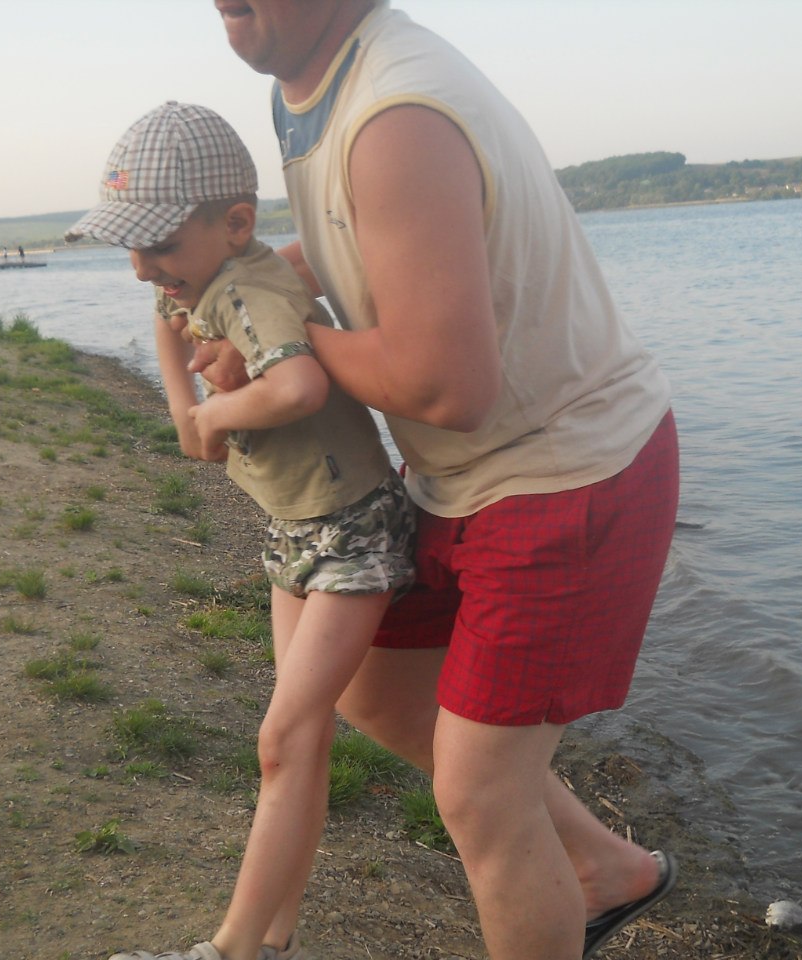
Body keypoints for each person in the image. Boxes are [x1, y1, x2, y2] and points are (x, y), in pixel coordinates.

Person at [200, 3, 684, 959]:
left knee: (480, 792)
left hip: (564, 471)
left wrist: (286, 348)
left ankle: (571, 873)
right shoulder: (308, 84)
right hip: (462, 476)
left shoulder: (396, 116)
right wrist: (253, 308)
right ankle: (603, 869)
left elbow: (443, 386)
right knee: (376, 688)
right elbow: (354, 242)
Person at [64, 101, 416, 960]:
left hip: (350, 532)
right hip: (296, 527)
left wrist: (215, 412)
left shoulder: (250, 291)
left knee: (285, 740)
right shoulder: (205, 286)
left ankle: (230, 950)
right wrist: (184, 375)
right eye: (129, 247)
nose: (142, 268)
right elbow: (190, 425)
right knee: (302, 741)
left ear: (235, 224)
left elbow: (297, 388)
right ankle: (271, 941)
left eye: (159, 245)